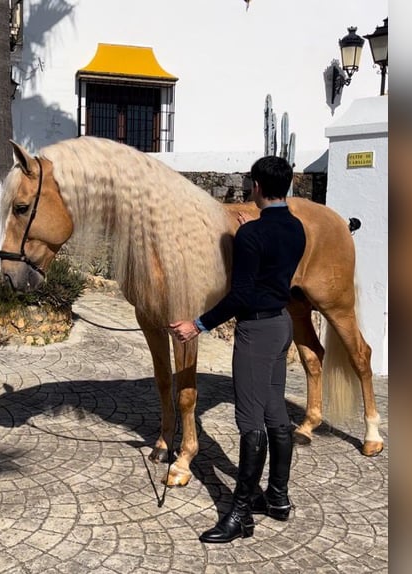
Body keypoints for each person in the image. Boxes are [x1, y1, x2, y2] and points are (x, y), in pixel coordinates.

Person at [169, 155, 306, 544]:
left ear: (257, 187)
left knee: (250, 421)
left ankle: (241, 515)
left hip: (256, 332)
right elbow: (271, 260)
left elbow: (240, 296)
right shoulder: (296, 228)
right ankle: (277, 498)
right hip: (281, 324)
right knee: (276, 412)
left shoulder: (252, 236)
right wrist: (251, 234)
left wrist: (196, 325)